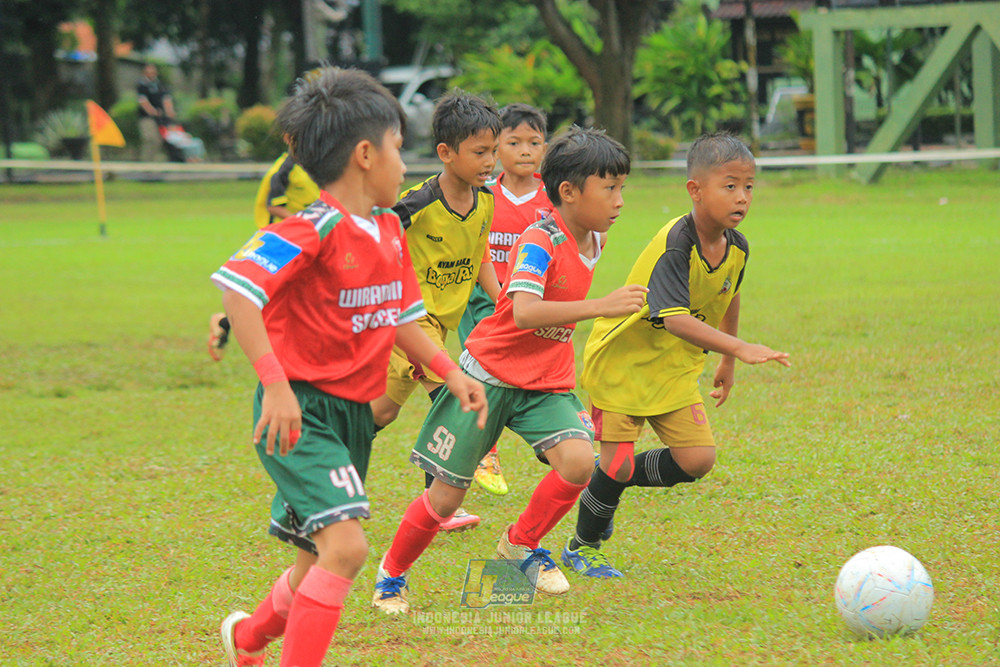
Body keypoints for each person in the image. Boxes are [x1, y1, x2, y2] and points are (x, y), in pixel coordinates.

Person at [211, 67, 487, 667]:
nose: (404, 165)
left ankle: (248, 640)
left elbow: (403, 317)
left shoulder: (389, 228)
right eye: (397, 148)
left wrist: (452, 371)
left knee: (315, 560)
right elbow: (238, 291)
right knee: (348, 548)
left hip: (351, 417)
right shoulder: (313, 227)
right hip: (299, 412)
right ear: (365, 154)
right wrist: (276, 386)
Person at [371, 126, 647, 615]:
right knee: (445, 500)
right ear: (568, 192)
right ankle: (391, 576)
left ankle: (519, 545)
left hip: (545, 381)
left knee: (581, 462)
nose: (620, 200)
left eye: (622, 187)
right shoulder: (540, 239)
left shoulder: (596, 237)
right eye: (611, 188)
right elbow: (522, 311)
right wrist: (600, 305)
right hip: (487, 377)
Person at [561, 133, 791, 579]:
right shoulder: (677, 243)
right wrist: (741, 349)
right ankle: (582, 545)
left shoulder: (737, 246)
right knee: (619, 461)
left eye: (748, 187)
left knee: (697, 459)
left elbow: (729, 292)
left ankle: (607, 480)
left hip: (674, 368)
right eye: (729, 186)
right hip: (623, 364)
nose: (742, 197)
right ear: (695, 189)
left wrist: (725, 360)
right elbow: (674, 319)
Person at [368, 89, 503, 532]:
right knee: (450, 396)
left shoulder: (485, 201)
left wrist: (501, 299)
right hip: (411, 320)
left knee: (380, 413)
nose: (490, 162)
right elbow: (374, 233)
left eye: (493, 151)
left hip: (441, 324)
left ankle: (321, 455)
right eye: (479, 152)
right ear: (446, 153)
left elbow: (481, 254)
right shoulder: (418, 203)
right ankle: (440, 503)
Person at [456, 102, 552, 497]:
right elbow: (475, 248)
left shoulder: (554, 198)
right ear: (498, 148)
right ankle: (485, 451)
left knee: (529, 371)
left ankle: (555, 431)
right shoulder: (484, 194)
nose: (526, 151)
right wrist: (498, 297)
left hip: (531, 304)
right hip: (483, 299)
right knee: (484, 369)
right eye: (514, 142)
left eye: (535, 142)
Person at [208, 152, 321, 361]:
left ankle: (225, 322)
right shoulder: (284, 169)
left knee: (289, 299)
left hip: (306, 239)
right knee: (277, 300)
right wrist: (305, 222)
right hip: (281, 243)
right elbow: (273, 206)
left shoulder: (313, 164)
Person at [136, 63, 176, 163]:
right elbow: (143, 102)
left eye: (153, 72)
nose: (151, 74)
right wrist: (153, 111)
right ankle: (145, 164)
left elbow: (166, 100)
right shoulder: (142, 86)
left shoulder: (160, 86)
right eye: (148, 72)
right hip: (147, 118)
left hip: (161, 119)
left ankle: (154, 163)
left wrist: (169, 112)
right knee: (150, 139)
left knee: (159, 141)